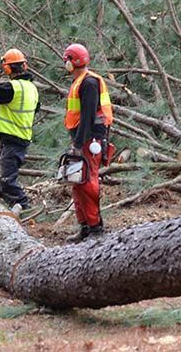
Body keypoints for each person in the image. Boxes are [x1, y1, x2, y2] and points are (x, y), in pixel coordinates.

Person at [63, 43, 114, 242]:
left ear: (71, 61)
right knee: (77, 182)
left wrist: (78, 144)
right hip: (82, 139)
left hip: (90, 140)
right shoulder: (80, 81)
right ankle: (84, 226)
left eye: (66, 60)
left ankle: (95, 229)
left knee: (87, 183)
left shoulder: (89, 83)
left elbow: (87, 116)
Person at [0, 48, 39, 210]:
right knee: (1, 179)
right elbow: (26, 110)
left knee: (5, 180)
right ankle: (14, 209)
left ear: (7, 68)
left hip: (14, 139)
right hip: (17, 137)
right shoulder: (31, 88)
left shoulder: (13, 88)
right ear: (24, 66)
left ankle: (24, 208)